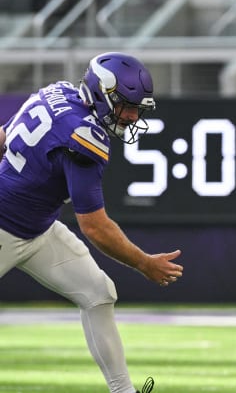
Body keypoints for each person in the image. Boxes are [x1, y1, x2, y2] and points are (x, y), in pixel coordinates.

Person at [0, 52, 184, 393]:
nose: (130, 116)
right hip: (4, 226)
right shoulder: (85, 136)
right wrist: (145, 263)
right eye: (124, 105)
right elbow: (95, 227)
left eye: (136, 108)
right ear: (102, 93)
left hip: (38, 228)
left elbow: (3, 138)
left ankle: (123, 390)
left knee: (98, 293)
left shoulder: (57, 93)